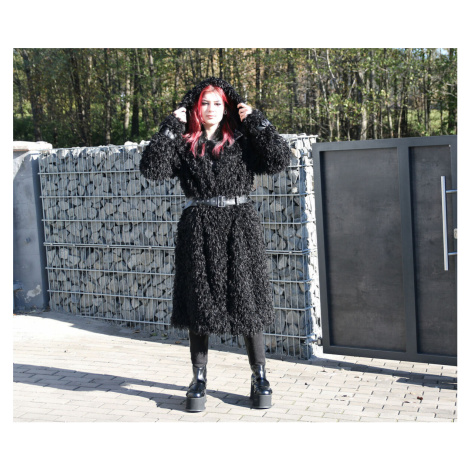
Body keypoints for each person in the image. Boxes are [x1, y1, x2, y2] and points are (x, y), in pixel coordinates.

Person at [139, 77, 292, 412]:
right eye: (204, 103)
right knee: (199, 302)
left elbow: (279, 159)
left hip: (240, 225)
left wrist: (257, 121)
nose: (210, 109)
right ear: (195, 107)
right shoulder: (184, 142)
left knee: (247, 301)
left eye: (217, 103)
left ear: (227, 107)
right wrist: (169, 126)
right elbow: (152, 168)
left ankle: (259, 376)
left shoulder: (243, 140)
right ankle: (198, 378)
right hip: (198, 227)